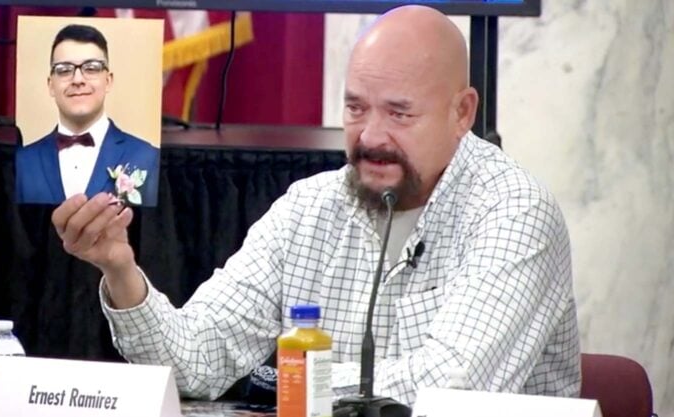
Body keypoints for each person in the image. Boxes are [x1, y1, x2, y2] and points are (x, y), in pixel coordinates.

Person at [51, 5, 580, 406]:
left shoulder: (513, 212)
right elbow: (197, 360)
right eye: (355, 107)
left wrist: (282, 382)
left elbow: (451, 390)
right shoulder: (311, 207)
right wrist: (121, 271)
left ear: (462, 111)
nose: (371, 136)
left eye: (399, 114)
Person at [15, 24, 159, 206]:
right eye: (64, 70)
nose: (77, 80)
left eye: (91, 68)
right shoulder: (22, 162)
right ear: (51, 85)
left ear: (108, 81)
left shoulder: (149, 157)